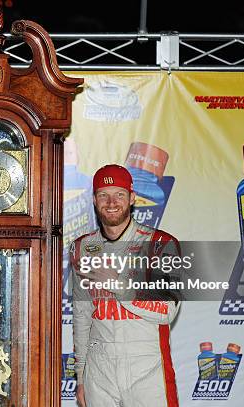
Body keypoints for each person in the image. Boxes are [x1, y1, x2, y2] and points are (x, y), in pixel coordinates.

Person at [70, 164, 181, 407]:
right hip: (99, 370)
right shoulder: (82, 248)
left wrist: (117, 284)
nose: (111, 202)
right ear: (94, 200)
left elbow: (166, 310)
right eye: (103, 195)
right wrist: (80, 377)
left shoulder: (161, 243)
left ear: (132, 198)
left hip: (147, 367)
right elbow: (81, 316)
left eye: (119, 194)